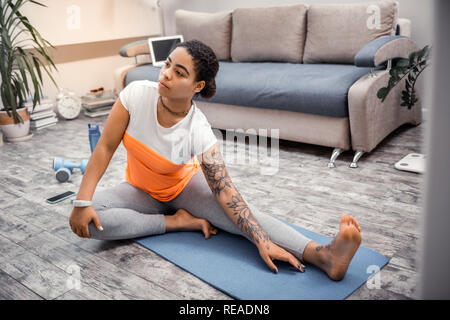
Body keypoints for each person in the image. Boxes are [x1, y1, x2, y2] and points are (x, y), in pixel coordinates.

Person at [69, 40, 362, 281]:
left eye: (180, 72)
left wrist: (261, 240)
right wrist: (83, 202)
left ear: (198, 86)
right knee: (89, 222)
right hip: (140, 190)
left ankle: (324, 255)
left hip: (184, 188)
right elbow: (105, 147)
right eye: (168, 64)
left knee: (242, 216)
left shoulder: (199, 129)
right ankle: (177, 222)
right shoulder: (135, 94)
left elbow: (225, 191)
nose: (166, 73)